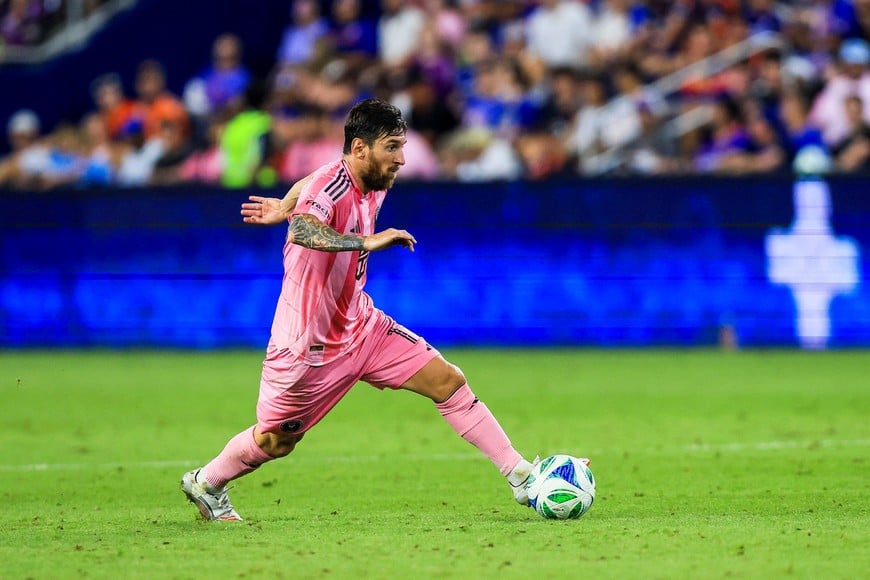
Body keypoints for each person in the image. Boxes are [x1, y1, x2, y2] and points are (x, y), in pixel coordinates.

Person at [180, 99, 574, 521]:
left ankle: (521, 476)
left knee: (448, 380)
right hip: (308, 347)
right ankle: (207, 483)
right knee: (276, 442)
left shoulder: (372, 181)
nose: (402, 158)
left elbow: (307, 188)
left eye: (402, 146)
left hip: (362, 325)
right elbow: (303, 228)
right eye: (392, 147)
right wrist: (360, 241)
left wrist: (283, 202)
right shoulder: (329, 188)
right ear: (360, 148)